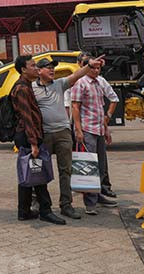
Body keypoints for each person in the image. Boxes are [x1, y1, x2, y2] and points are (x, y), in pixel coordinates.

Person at [32, 55, 103, 220]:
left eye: (53, 67)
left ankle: (66, 204)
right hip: (44, 134)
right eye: (48, 67)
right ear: (38, 71)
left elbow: (75, 76)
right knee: (41, 169)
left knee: (66, 170)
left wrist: (89, 66)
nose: (52, 70)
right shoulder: (31, 88)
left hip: (63, 133)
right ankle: (39, 202)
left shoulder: (59, 84)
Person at [10, 55, 65, 225]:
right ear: (23, 69)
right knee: (38, 174)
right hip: (29, 137)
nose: (36, 68)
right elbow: (27, 118)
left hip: (26, 136)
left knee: (28, 172)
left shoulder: (24, 85)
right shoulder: (23, 89)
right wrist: (34, 143)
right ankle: (45, 210)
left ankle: (24, 211)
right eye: (32, 65)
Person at [71, 54, 120, 215]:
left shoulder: (99, 83)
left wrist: (105, 128)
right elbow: (75, 107)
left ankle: (98, 195)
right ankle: (90, 203)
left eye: (99, 68)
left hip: (98, 129)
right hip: (87, 130)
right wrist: (78, 129)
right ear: (86, 68)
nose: (97, 71)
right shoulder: (80, 83)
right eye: (94, 68)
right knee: (88, 166)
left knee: (100, 165)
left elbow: (101, 107)